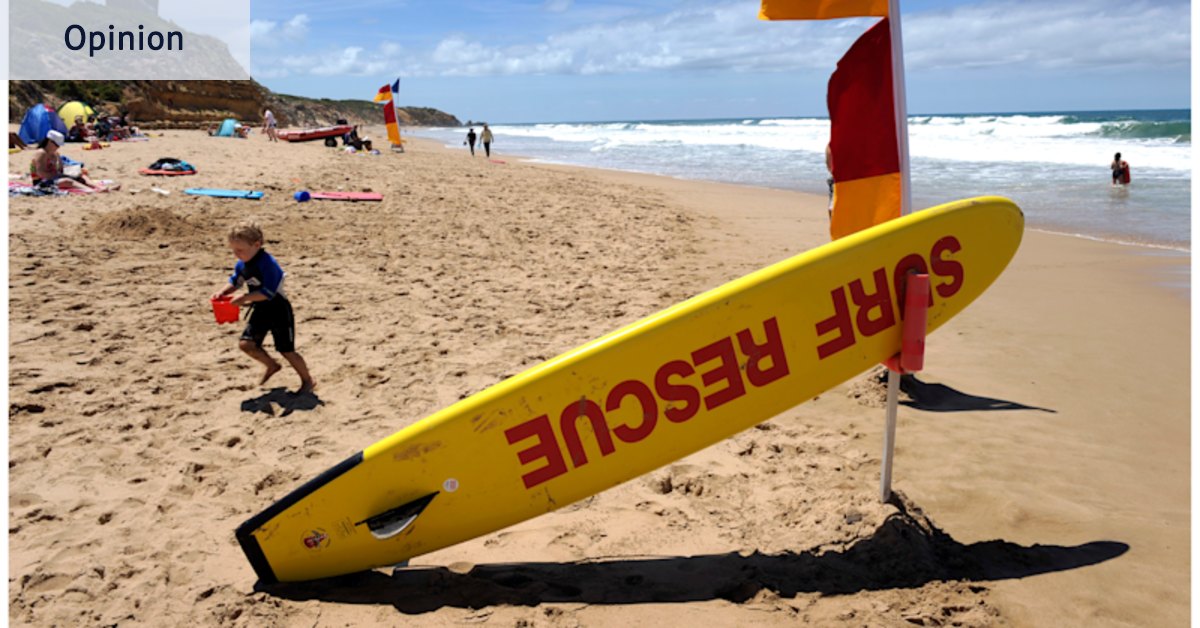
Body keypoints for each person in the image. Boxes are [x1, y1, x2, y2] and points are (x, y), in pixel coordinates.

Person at [212, 221, 315, 394]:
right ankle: (272, 365)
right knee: (246, 344)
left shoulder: (268, 264)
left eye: (240, 250)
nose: (236, 254)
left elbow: (268, 292)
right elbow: (236, 281)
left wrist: (244, 299)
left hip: (278, 309)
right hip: (260, 309)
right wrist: (222, 292)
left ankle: (308, 380)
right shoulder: (242, 264)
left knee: (286, 350)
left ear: (256, 245)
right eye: (233, 250)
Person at [29, 130, 115, 193]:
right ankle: (92, 191)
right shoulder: (41, 153)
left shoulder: (54, 153)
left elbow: (60, 169)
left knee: (81, 176)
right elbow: (40, 173)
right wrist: (58, 176)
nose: (58, 147)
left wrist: (63, 168)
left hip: (53, 177)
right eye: (57, 145)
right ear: (50, 142)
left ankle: (99, 187)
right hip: (41, 182)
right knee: (67, 181)